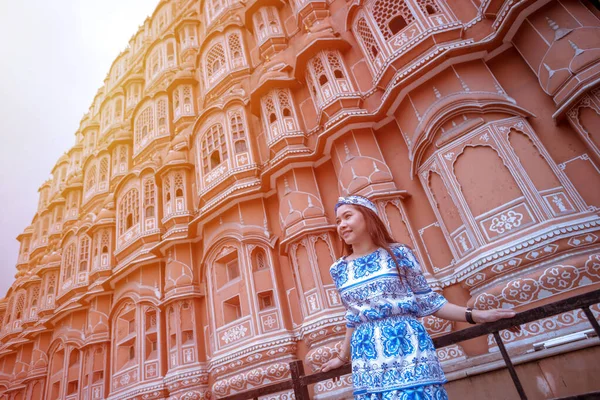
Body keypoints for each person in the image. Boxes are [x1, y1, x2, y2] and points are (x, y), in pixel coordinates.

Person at [320, 195, 517, 399]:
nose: (342, 225)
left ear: (369, 218)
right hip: (367, 357)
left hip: (407, 345)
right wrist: (342, 358)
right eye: (338, 221)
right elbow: (353, 317)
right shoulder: (339, 269)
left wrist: (476, 316)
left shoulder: (399, 254)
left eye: (347, 216)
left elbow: (428, 300)